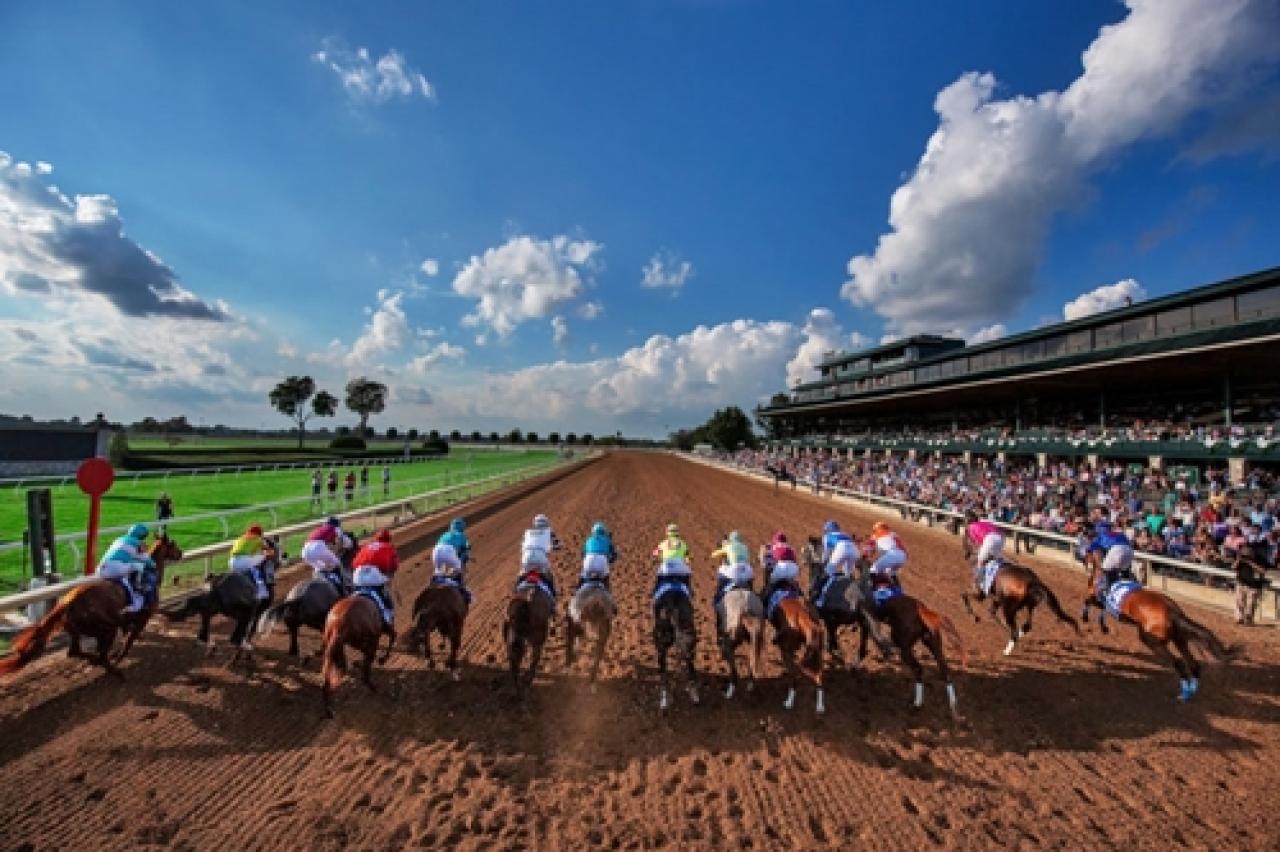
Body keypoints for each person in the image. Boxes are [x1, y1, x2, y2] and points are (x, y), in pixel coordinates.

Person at [96, 523, 154, 615]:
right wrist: (153, 565)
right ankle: (137, 591)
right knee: (139, 566)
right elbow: (147, 560)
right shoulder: (138, 543)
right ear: (142, 536)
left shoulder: (119, 539)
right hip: (116, 569)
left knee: (127, 570)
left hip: (100, 569)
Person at [351, 529, 399, 629]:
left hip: (357, 574)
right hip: (373, 575)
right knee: (384, 592)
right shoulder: (389, 547)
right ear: (389, 539)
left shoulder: (367, 546)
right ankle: (387, 615)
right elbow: (394, 565)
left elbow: (354, 563)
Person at [710, 531, 753, 635]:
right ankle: (752, 593)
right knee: (749, 581)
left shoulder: (729, 546)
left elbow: (714, 555)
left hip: (734, 571)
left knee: (721, 572)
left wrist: (718, 551)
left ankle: (718, 597)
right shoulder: (744, 547)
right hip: (747, 570)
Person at [516, 514, 561, 599]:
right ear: (546, 523)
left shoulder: (527, 532)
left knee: (521, 576)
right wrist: (554, 547)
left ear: (535, 523)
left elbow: (522, 545)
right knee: (549, 577)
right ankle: (553, 598)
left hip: (526, 559)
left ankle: (515, 592)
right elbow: (558, 545)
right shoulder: (549, 531)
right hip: (541, 559)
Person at [303, 516, 351, 593]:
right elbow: (347, 542)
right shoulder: (335, 528)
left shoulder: (319, 529)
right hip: (318, 548)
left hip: (305, 551)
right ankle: (343, 589)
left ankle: (317, 582)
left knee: (320, 568)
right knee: (337, 563)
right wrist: (346, 545)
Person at [814, 520, 856, 605]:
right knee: (848, 575)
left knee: (828, 573)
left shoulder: (826, 537)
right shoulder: (845, 534)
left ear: (828, 529)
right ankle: (853, 595)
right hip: (854, 551)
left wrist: (823, 562)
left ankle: (821, 600)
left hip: (842, 549)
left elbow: (826, 553)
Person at [432, 518, 473, 604]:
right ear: (462, 528)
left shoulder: (445, 534)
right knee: (458, 571)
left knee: (439, 572)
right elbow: (464, 553)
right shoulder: (462, 536)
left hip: (436, 551)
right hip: (448, 551)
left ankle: (435, 582)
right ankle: (464, 592)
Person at [965, 511, 1005, 594]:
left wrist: (978, 552)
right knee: (995, 560)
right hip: (1000, 538)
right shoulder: (985, 522)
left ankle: (977, 586)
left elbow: (978, 543)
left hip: (989, 539)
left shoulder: (970, 527)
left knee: (980, 562)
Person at [228, 524, 270, 601]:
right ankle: (262, 590)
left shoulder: (239, 538)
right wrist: (269, 552)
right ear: (259, 533)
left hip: (231, 562)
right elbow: (268, 550)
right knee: (264, 556)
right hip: (244, 561)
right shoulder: (258, 538)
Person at [761, 531, 802, 612]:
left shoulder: (772, 547)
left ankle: (764, 606)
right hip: (793, 568)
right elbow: (795, 561)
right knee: (795, 585)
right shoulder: (790, 547)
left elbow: (767, 563)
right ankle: (801, 596)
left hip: (780, 568)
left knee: (770, 585)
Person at [652, 522, 693, 601]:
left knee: (658, 578)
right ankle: (690, 592)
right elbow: (688, 557)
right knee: (687, 577)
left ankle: (655, 593)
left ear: (667, 532)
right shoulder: (683, 543)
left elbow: (655, 553)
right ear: (677, 532)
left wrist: (655, 557)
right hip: (681, 568)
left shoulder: (663, 543)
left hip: (666, 568)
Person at [1234, 541, 1269, 626]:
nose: (1245, 551)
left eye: (1247, 549)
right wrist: (1239, 560)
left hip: (1254, 584)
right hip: (1241, 582)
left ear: (1252, 550)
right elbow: (1234, 567)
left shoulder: (1260, 558)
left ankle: (1248, 619)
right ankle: (1240, 618)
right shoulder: (1241, 558)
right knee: (1239, 601)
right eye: (1244, 549)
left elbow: (1263, 570)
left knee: (1251, 604)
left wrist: (1250, 562)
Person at [863, 521, 907, 586]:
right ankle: (898, 589)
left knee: (873, 569)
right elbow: (902, 547)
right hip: (902, 556)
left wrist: (864, 556)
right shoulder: (893, 534)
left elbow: (869, 551)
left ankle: (873, 590)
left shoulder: (874, 536)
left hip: (891, 555)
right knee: (891, 572)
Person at [578, 521, 618, 590]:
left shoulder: (589, 540)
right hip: (602, 562)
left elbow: (582, 554)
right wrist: (610, 560)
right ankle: (608, 595)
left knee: (581, 581)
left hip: (589, 562)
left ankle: (576, 596)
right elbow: (614, 555)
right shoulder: (607, 539)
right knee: (606, 582)